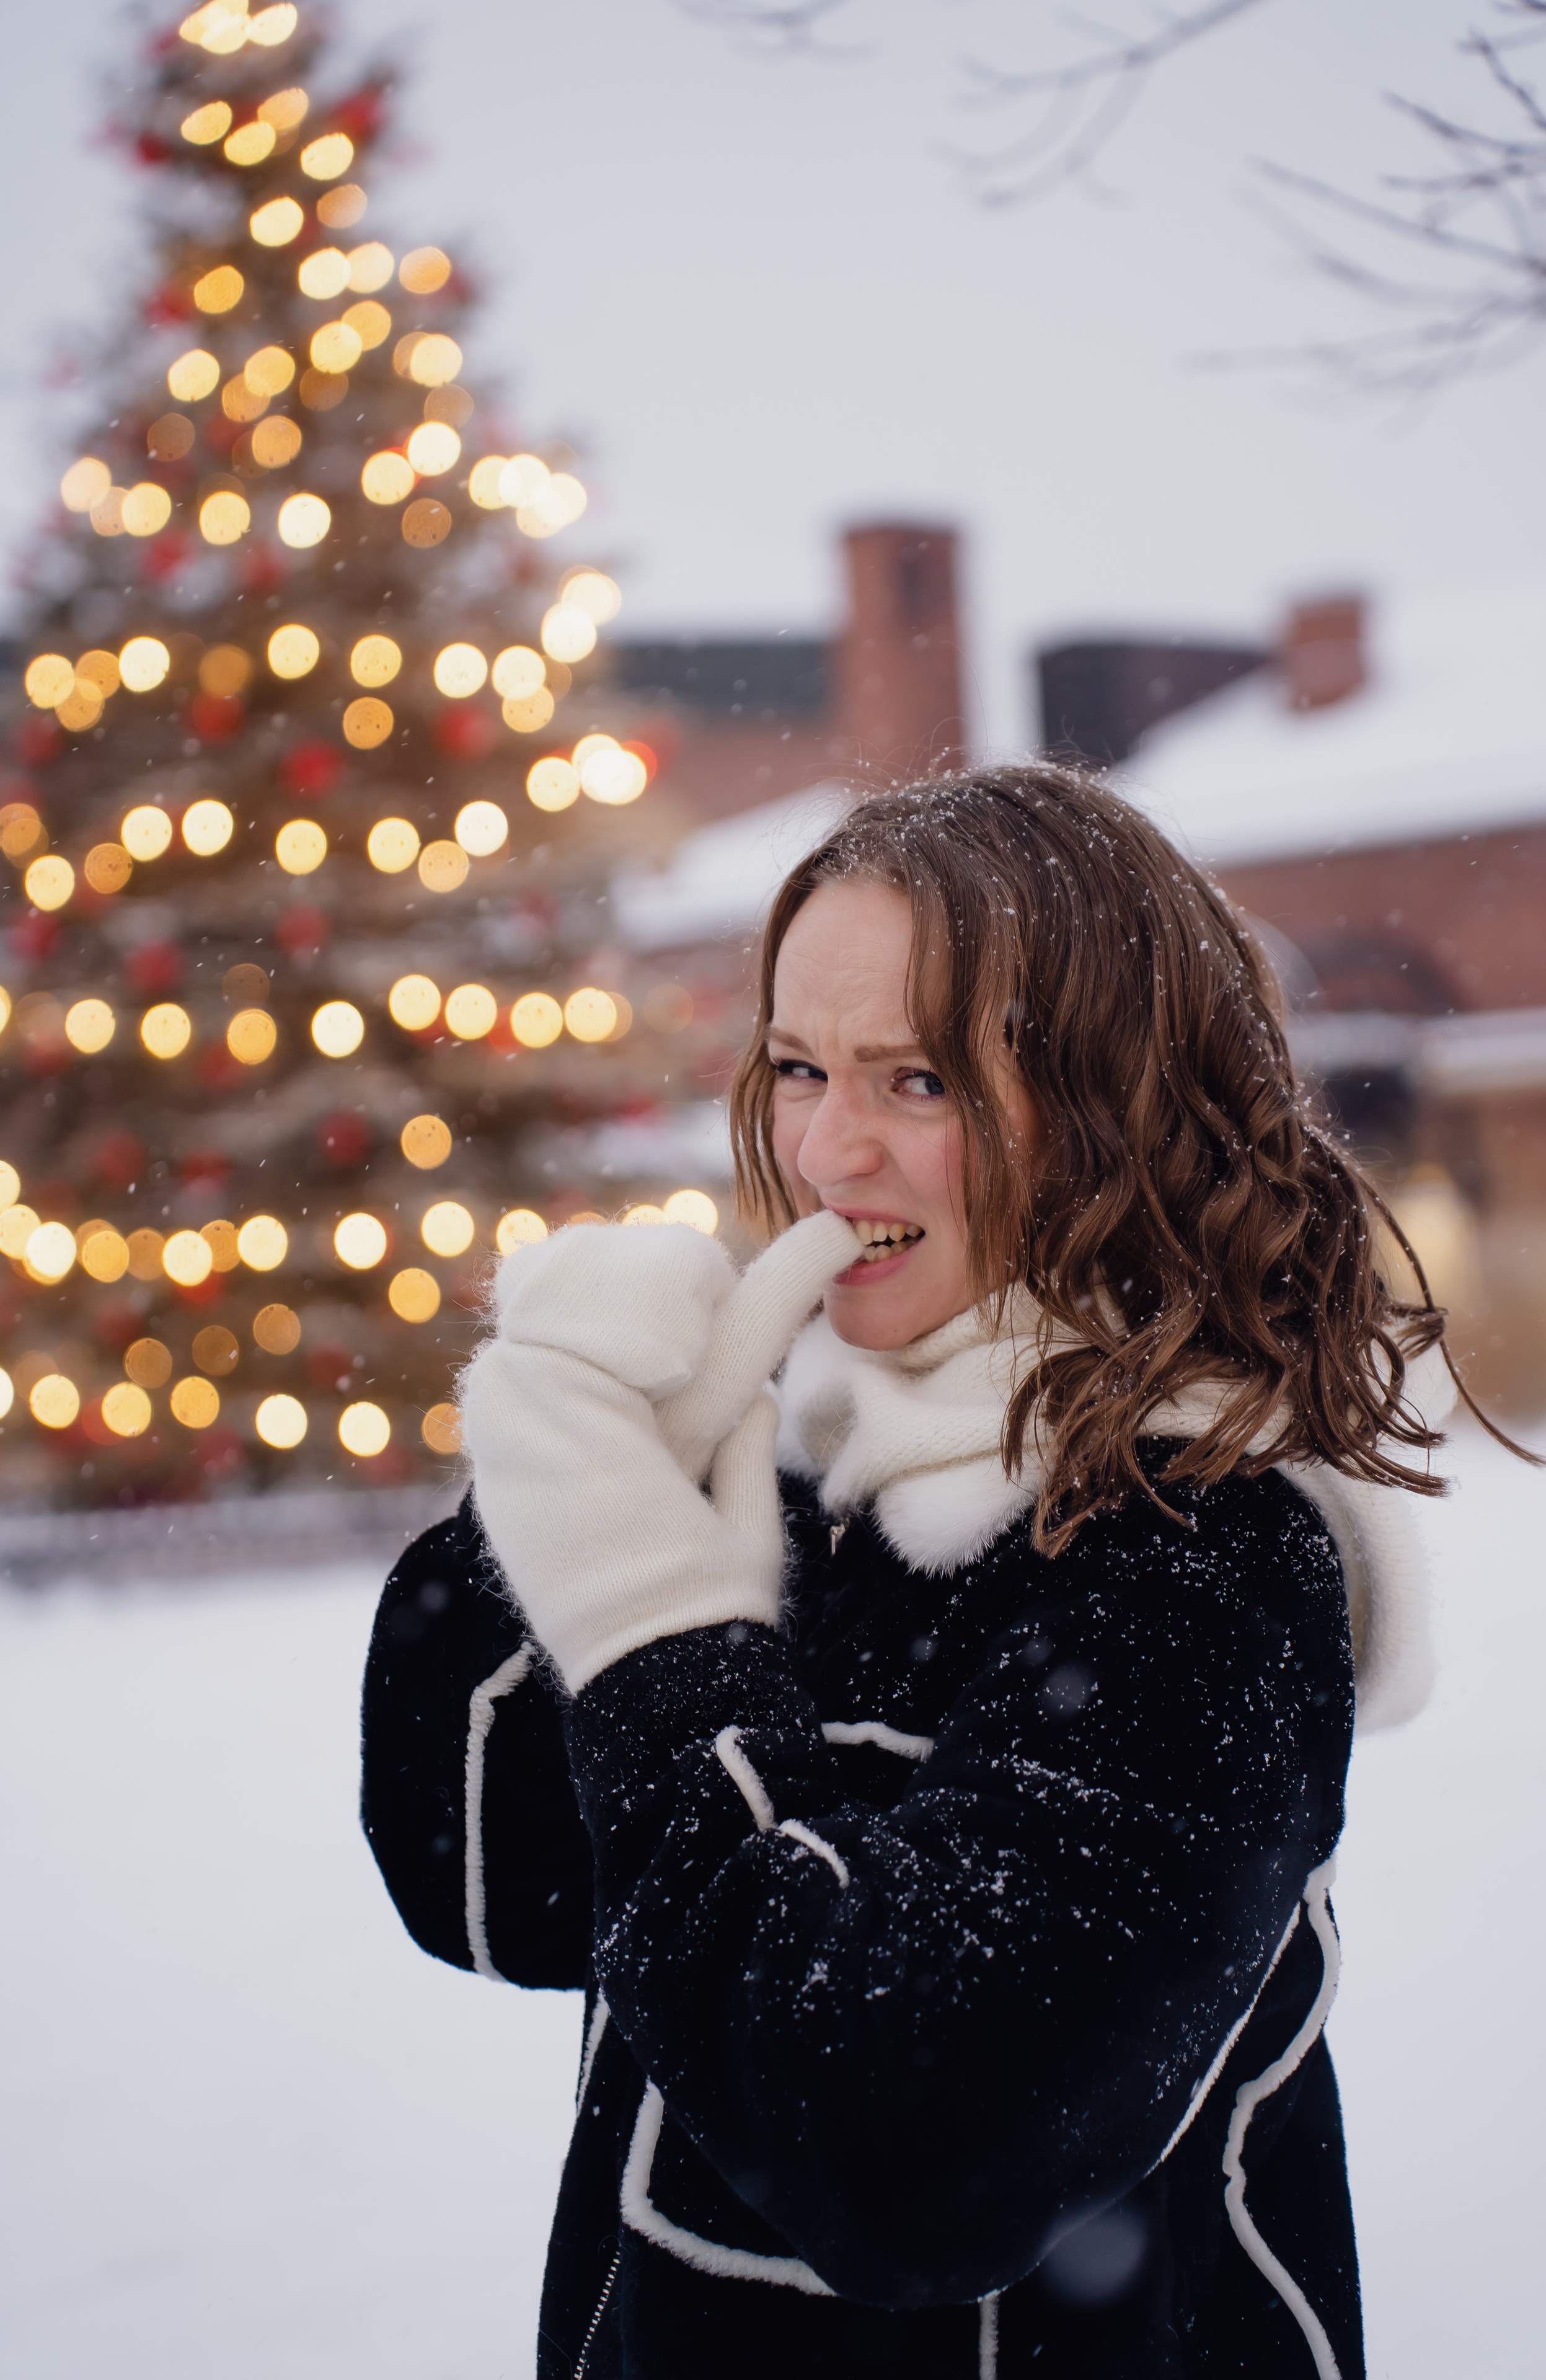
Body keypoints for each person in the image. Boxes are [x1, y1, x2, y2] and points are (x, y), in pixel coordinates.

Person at [361, 764, 1486, 2379]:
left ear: (1122, 1105)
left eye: (920, 1083)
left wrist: (658, 1628)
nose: (826, 1149)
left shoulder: (1202, 1565)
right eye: (803, 1066)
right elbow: (486, 1885)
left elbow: (903, 2158)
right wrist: (561, 1476)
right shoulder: (813, 1461)